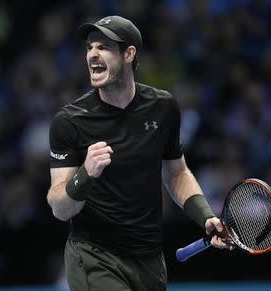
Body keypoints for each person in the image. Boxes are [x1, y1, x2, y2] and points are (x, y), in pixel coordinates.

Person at [47, 15, 232, 291]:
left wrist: (206, 216)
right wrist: (86, 174)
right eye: (89, 47)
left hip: (149, 259)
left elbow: (177, 173)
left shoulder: (163, 107)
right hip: (95, 256)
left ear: (129, 54)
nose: (93, 55)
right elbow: (60, 208)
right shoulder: (69, 121)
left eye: (104, 47)